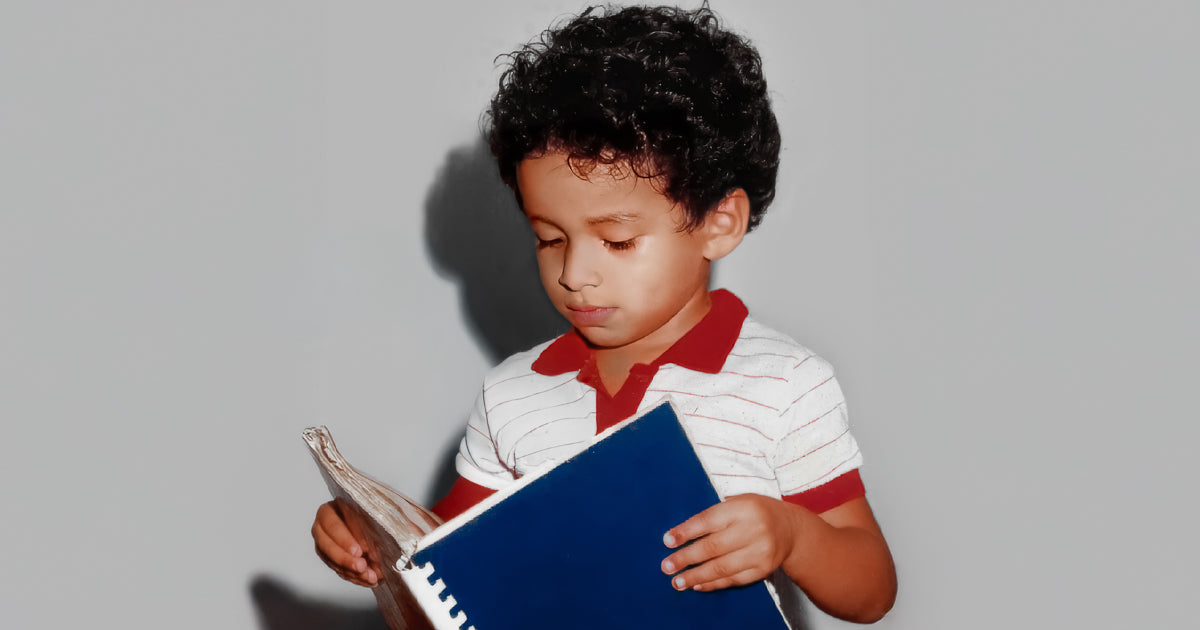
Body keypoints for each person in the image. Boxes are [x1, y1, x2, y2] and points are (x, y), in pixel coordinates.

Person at [313, 4, 896, 624]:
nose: (573, 273)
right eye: (548, 237)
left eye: (617, 240)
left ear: (719, 222)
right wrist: (364, 540)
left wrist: (794, 535)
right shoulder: (514, 394)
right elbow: (446, 564)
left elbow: (871, 591)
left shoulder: (783, 384)